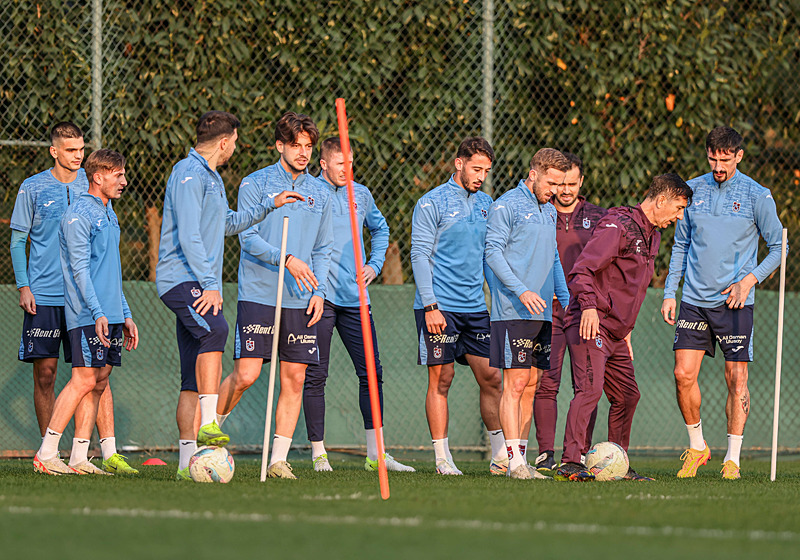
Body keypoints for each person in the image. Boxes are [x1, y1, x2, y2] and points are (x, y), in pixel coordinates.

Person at [156, 111, 302, 480]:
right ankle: (209, 425)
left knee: (192, 375)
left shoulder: (212, 178)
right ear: (224, 142)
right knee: (216, 331)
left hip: (195, 278)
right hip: (181, 278)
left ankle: (186, 463)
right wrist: (210, 284)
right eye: (235, 141)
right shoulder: (188, 174)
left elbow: (227, 225)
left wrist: (271, 204)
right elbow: (189, 235)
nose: (235, 147)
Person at [12, 123, 136, 475]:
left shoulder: (102, 200)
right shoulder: (37, 188)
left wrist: (123, 310)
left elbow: (108, 264)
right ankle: (48, 450)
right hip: (57, 296)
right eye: (70, 150)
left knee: (97, 376)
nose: (78, 156)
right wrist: (25, 285)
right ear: (54, 151)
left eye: (82, 149)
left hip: (98, 301)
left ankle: (84, 454)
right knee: (54, 375)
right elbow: (21, 242)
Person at [662, 126, 784, 480]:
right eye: (713, 158)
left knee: (737, 378)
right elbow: (680, 244)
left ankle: (733, 457)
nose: (718, 165)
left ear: (739, 156)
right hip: (694, 301)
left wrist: (750, 280)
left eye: (725, 159)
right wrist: (671, 290)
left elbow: (780, 247)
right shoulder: (693, 189)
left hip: (735, 303)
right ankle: (698, 446)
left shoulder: (757, 195)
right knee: (682, 375)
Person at [215, 112, 332, 480]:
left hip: (301, 297)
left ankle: (278, 459)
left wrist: (321, 292)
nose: (303, 152)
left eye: (308, 146)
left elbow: (325, 248)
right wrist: (287, 259)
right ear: (280, 145)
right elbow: (247, 238)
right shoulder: (254, 183)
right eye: (295, 145)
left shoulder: (321, 193)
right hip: (260, 293)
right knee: (246, 374)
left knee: (295, 378)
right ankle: (210, 431)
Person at [556, 173, 692, 482]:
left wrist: (626, 330)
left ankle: (617, 464)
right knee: (589, 390)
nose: (679, 216)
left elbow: (629, 287)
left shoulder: (652, 235)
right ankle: (570, 463)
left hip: (616, 332)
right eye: (679, 208)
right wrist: (589, 306)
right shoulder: (617, 224)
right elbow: (582, 270)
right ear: (661, 201)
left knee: (627, 396)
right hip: (590, 321)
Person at [300, 137, 414, 473]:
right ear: (323, 163)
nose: (346, 171)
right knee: (316, 375)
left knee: (372, 374)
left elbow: (381, 229)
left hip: (356, 300)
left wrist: (375, 264)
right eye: (340, 164)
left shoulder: (360, 194)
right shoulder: (309, 191)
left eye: (350, 164)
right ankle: (318, 453)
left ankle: (376, 453)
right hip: (318, 298)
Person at [411, 137, 505, 476]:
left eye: (486, 171)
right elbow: (419, 255)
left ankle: (500, 457)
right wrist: (430, 305)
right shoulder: (430, 203)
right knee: (443, 378)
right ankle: (442, 459)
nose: (481, 176)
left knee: (492, 378)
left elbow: (488, 257)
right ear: (458, 163)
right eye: (476, 168)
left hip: (475, 309)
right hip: (438, 307)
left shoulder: (487, 204)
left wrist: (500, 303)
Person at [485, 148, 571, 480]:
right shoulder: (506, 205)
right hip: (512, 309)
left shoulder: (548, 211)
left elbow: (553, 257)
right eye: (551, 183)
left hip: (542, 313)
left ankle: (519, 459)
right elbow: (492, 251)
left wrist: (565, 298)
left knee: (533, 383)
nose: (557, 191)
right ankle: (512, 462)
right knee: (516, 381)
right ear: (533, 174)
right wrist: (521, 289)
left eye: (561, 184)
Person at [530, 152, 607, 472]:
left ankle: (581, 451)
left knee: (587, 386)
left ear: (582, 182)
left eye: (572, 183)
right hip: (546, 311)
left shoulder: (600, 217)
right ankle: (546, 452)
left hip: (584, 312)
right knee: (546, 384)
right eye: (559, 182)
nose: (565, 189)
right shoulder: (538, 211)